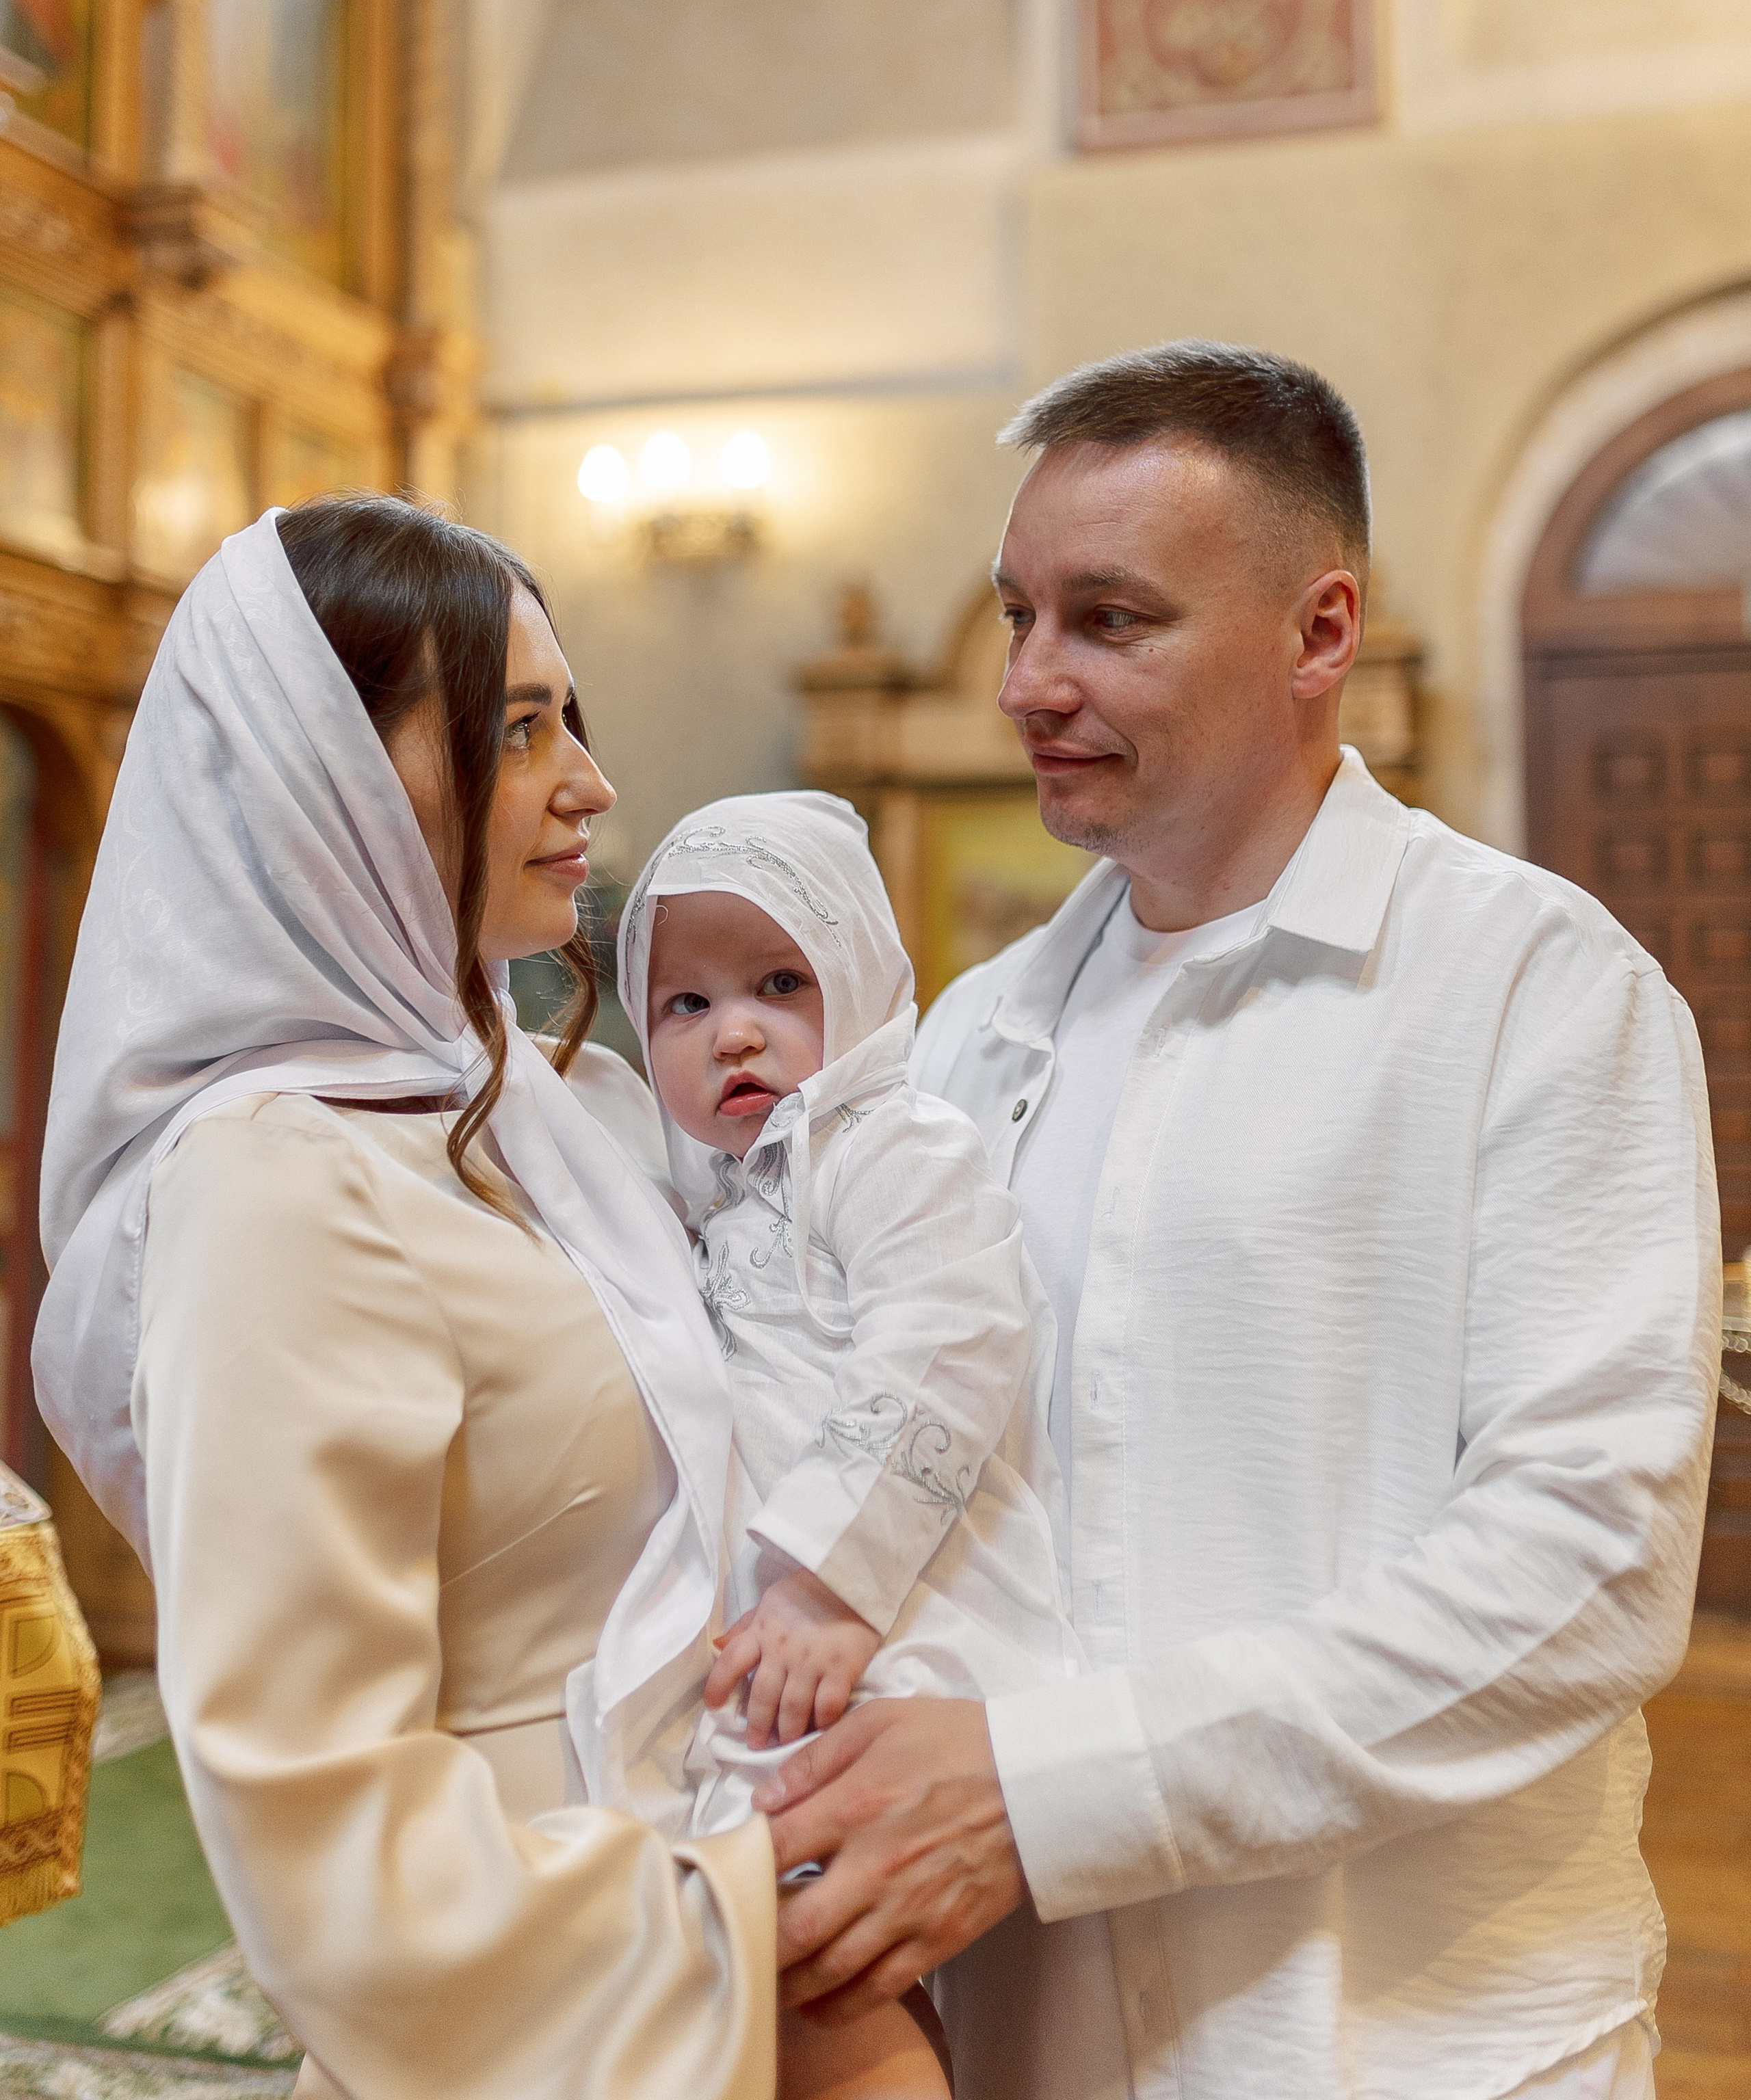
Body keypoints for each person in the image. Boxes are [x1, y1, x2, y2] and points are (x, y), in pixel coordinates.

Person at [756, 343, 1724, 2100]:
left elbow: (1580, 1570)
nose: (1027, 681)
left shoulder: (1534, 988)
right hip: (1022, 2027)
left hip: (1405, 2034)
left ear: (1318, 633)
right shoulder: (968, 1040)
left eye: (1108, 621)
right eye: (1015, 615)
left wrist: (1051, 1790)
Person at [34, 496, 780, 2100]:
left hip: (680, 1891)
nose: (590, 784)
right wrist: (759, 1910)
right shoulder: (274, 1187)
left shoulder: (525, 1113)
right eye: (516, 732)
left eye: (568, 720)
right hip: (548, 2000)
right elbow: (329, 1829)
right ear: (329, 788)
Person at [616, 790, 1114, 2086]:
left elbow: (947, 1348)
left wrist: (833, 1581)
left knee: (804, 1931)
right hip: (786, 1624)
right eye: (685, 1003)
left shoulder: (893, 1145)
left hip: (904, 1600)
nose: (733, 1031)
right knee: (770, 1936)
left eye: (780, 984)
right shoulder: (704, 1189)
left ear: (860, 981)